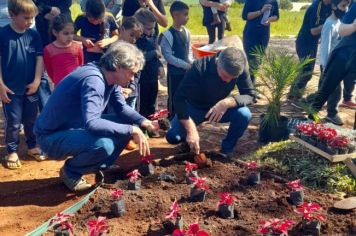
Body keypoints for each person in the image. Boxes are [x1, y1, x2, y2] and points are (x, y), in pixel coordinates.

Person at [34, 41, 158, 192]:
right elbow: (92, 123)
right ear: (118, 67)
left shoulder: (109, 76)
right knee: (104, 144)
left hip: (73, 128)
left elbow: (121, 108)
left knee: (126, 124)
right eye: (132, 73)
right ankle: (71, 172)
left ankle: (99, 165)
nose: (133, 79)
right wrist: (131, 130)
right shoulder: (94, 81)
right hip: (51, 137)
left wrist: (143, 122)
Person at [166, 47, 256, 158]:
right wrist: (191, 129)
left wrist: (227, 102)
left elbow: (250, 95)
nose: (228, 81)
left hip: (219, 110)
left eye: (232, 78)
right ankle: (188, 141)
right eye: (225, 76)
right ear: (218, 63)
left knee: (244, 114)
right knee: (173, 137)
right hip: (194, 108)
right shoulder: (199, 67)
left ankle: (226, 150)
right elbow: (179, 98)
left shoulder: (240, 67)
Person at [0, 0, 46, 169]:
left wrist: (36, 81)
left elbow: (39, 58)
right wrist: (0, 85)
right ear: (12, 15)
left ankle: (32, 145)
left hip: (30, 87)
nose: (30, 21)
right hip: (10, 88)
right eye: (26, 17)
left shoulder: (34, 35)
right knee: (13, 121)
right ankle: (11, 150)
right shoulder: (2, 34)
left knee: (31, 118)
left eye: (32, 18)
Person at [309, 2, 356, 123]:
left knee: (347, 88)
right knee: (326, 88)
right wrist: (354, 26)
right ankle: (309, 120)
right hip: (344, 53)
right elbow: (342, 30)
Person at [288, 0, 332, 101]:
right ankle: (295, 96)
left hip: (312, 43)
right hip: (304, 42)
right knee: (307, 71)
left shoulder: (328, 6)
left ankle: (292, 95)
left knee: (305, 70)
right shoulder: (316, 7)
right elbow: (313, 31)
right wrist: (328, 24)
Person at [160, 1, 193, 120]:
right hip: (174, 73)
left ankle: (184, 117)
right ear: (175, 14)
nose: (187, 17)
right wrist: (184, 65)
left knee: (185, 94)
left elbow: (189, 50)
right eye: (185, 14)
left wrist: (191, 63)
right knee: (174, 96)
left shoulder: (187, 32)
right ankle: (172, 117)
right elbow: (168, 56)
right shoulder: (167, 35)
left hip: (186, 72)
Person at [242, 0, 279, 85]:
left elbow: (276, 16)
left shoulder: (273, 1)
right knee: (252, 62)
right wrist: (261, 11)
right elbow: (245, 16)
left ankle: (250, 87)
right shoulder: (251, 1)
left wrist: (270, 19)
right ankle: (250, 89)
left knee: (258, 62)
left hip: (264, 35)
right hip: (251, 34)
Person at [44, 15, 84, 87]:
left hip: (76, 85)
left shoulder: (77, 47)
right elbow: (49, 70)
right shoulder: (49, 49)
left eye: (72, 33)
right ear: (55, 33)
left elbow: (80, 66)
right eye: (66, 33)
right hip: (59, 87)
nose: (70, 36)